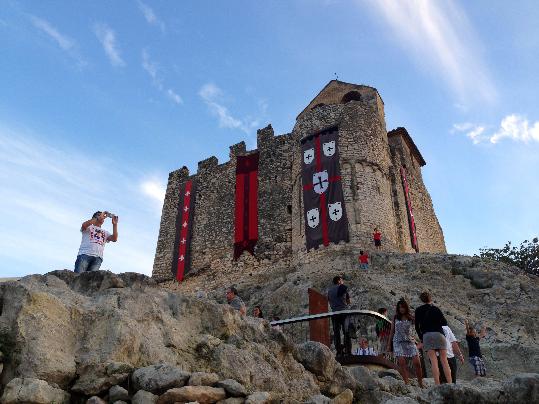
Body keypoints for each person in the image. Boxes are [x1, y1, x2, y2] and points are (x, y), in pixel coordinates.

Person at [414, 291, 452, 385]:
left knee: (434, 362)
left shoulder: (418, 310)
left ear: (421, 300)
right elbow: (444, 322)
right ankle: (450, 383)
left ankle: (437, 384)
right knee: (444, 360)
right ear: (430, 298)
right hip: (439, 334)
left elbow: (416, 326)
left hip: (427, 335)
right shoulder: (435, 309)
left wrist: (421, 337)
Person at [389, 299, 424, 387]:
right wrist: (389, 346)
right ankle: (406, 382)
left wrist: (421, 341)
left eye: (403, 307)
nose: (401, 309)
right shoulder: (395, 317)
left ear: (406, 307)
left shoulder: (411, 318)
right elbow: (392, 331)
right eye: (400, 307)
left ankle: (420, 383)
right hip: (398, 342)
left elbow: (420, 329)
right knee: (402, 362)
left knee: (417, 363)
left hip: (410, 341)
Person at [327, 275, 351, 357]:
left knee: (336, 333)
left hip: (334, 314)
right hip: (344, 312)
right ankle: (348, 351)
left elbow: (329, 302)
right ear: (339, 281)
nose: (343, 281)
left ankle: (338, 352)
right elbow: (348, 301)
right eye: (342, 280)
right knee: (346, 332)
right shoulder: (343, 287)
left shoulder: (329, 291)